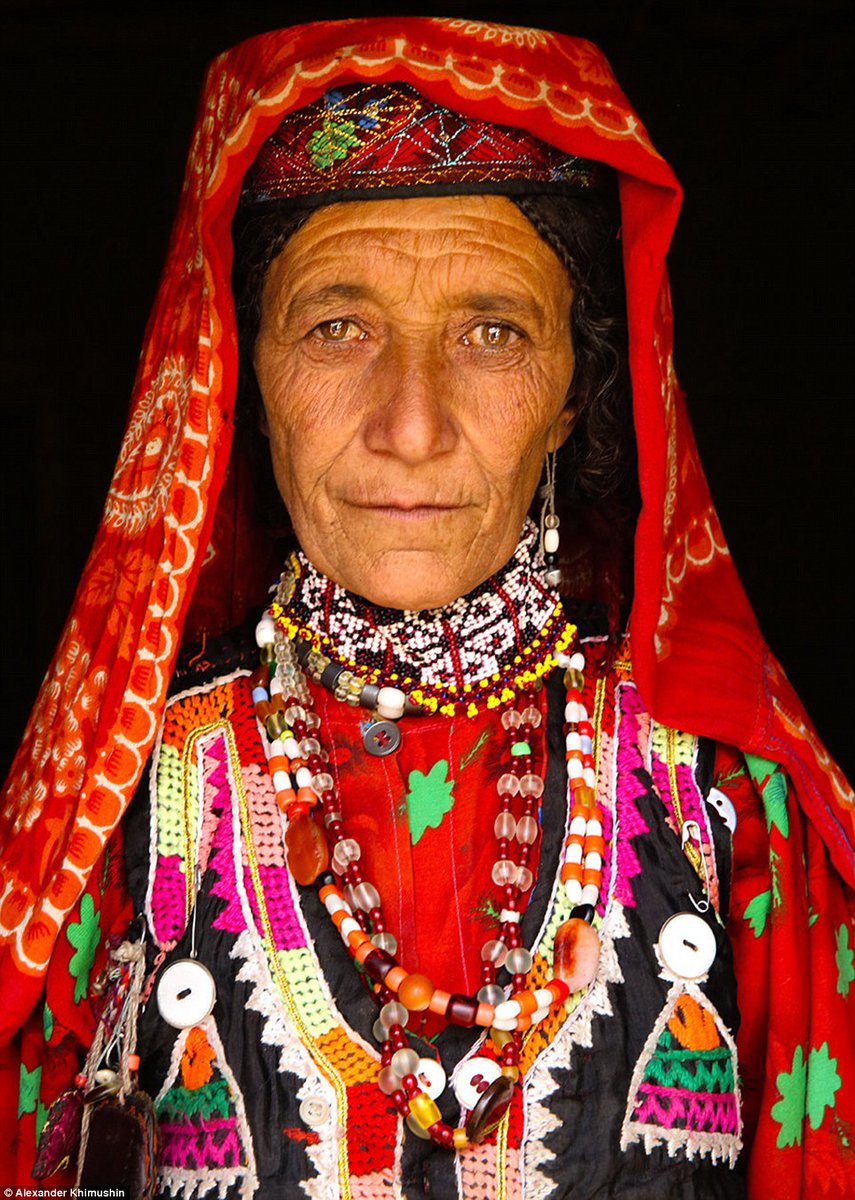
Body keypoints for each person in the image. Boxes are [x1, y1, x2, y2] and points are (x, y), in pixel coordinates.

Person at [1, 16, 852, 1199]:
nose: (412, 425)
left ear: (573, 397)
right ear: (243, 381)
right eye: (337, 327)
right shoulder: (124, 817)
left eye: (492, 333)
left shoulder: (732, 805)